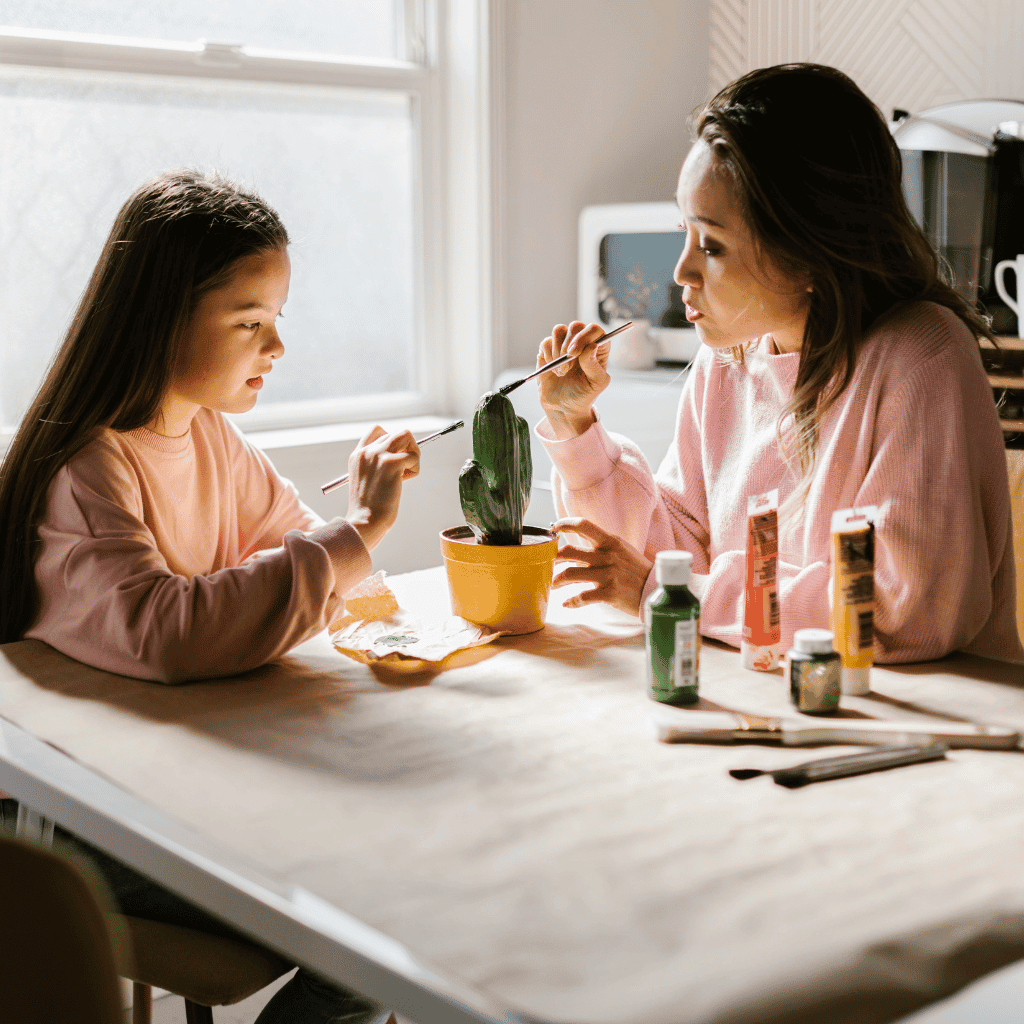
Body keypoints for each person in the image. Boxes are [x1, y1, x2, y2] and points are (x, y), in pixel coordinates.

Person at [0, 169, 417, 1022]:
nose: (276, 349)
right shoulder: (89, 467)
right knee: (380, 919)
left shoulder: (211, 436)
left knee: (402, 877)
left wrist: (379, 607)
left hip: (172, 785)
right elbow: (168, 632)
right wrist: (361, 530)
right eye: (250, 322)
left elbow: (314, 563)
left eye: (277, 322)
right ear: (161, 318)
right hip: (79, 826)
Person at [535, 63, 1023, 665]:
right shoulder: (729, 358)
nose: (680, 272)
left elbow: (902, 608)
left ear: (809, 249)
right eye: (683, 233)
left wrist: (675, 595)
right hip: (770, 699)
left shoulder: (920, 356)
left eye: (711, 245)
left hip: (925, 730)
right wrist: (579, 430)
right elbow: (673, 552)